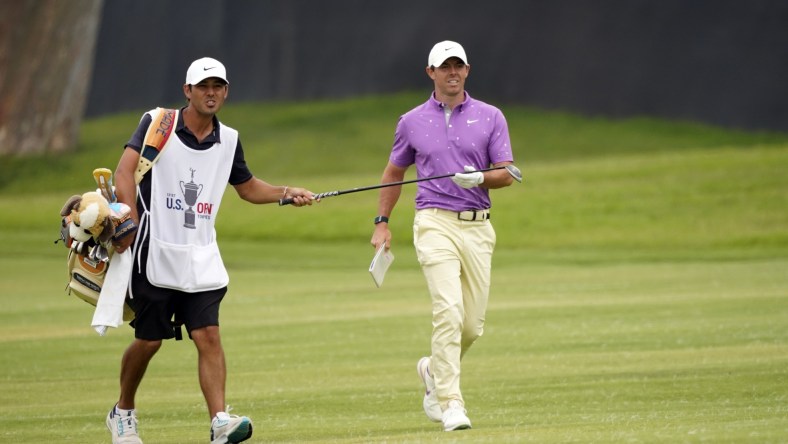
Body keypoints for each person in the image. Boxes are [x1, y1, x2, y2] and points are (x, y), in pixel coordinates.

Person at [106, 57, 316, 444]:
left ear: (226, 91)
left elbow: (247, 187)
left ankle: (220, 420)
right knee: (150, 340)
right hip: (153, 252)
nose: (211, 93)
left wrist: (287, 193)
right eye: (203, 86)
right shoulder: (158, 123)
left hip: (200, 255)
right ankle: (123, 412)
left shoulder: (229, 139)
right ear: (187, 91)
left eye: (218, 86)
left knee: (209, 336)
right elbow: (124, 172)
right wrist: (127, 221)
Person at [370, 41, 516, 432]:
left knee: (471, 326)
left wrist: (481, 177)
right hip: (434, 222)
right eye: (444, 66)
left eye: (458, 66)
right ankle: (450, 402)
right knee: (448, 312)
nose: (452, 72)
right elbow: (394, 173)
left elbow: (507, 172)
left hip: (479, 225)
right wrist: (381, 222)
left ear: (467, 70)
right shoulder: (411, 121)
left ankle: (434, 370)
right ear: (430, 72)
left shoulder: (490, 116)